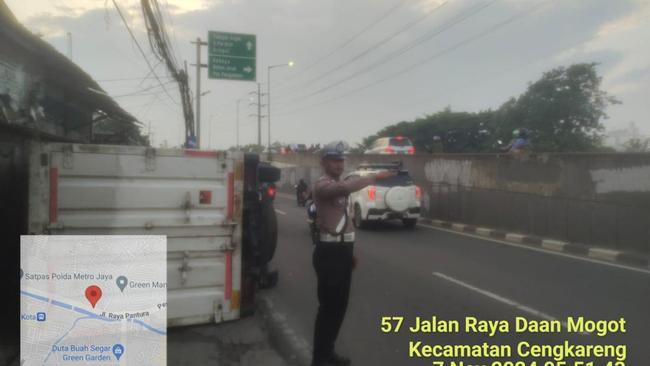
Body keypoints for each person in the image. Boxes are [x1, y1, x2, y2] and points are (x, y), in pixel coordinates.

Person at [311, 141, 395, 366]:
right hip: (329, 253)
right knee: (329, 308)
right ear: (324, 162)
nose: (339, 164)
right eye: (334, 160)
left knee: (339, 308)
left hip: (342, 252)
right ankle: (319, 359)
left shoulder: (338, 182)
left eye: (341, 160)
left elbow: (344, 221)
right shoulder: (322, 185)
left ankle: (327, 352)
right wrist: (375, 176)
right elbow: (346, 188)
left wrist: (350, 254)